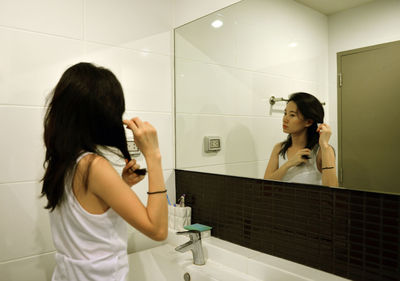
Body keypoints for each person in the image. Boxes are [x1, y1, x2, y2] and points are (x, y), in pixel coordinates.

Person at [41, 62, 168, 281]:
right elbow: (157, 231)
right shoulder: (94, 166)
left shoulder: (64, 161)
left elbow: (87, 218)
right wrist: (153, 155)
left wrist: (122, 185)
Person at [264, 92, 338, 187]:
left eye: (292, 115)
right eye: (285, 113)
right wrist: (288, 164)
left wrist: (324, 145)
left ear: (308, 122)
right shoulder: (279, 148)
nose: (285, 119)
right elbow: (265, 186)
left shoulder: (322, 151)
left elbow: (333, 190)